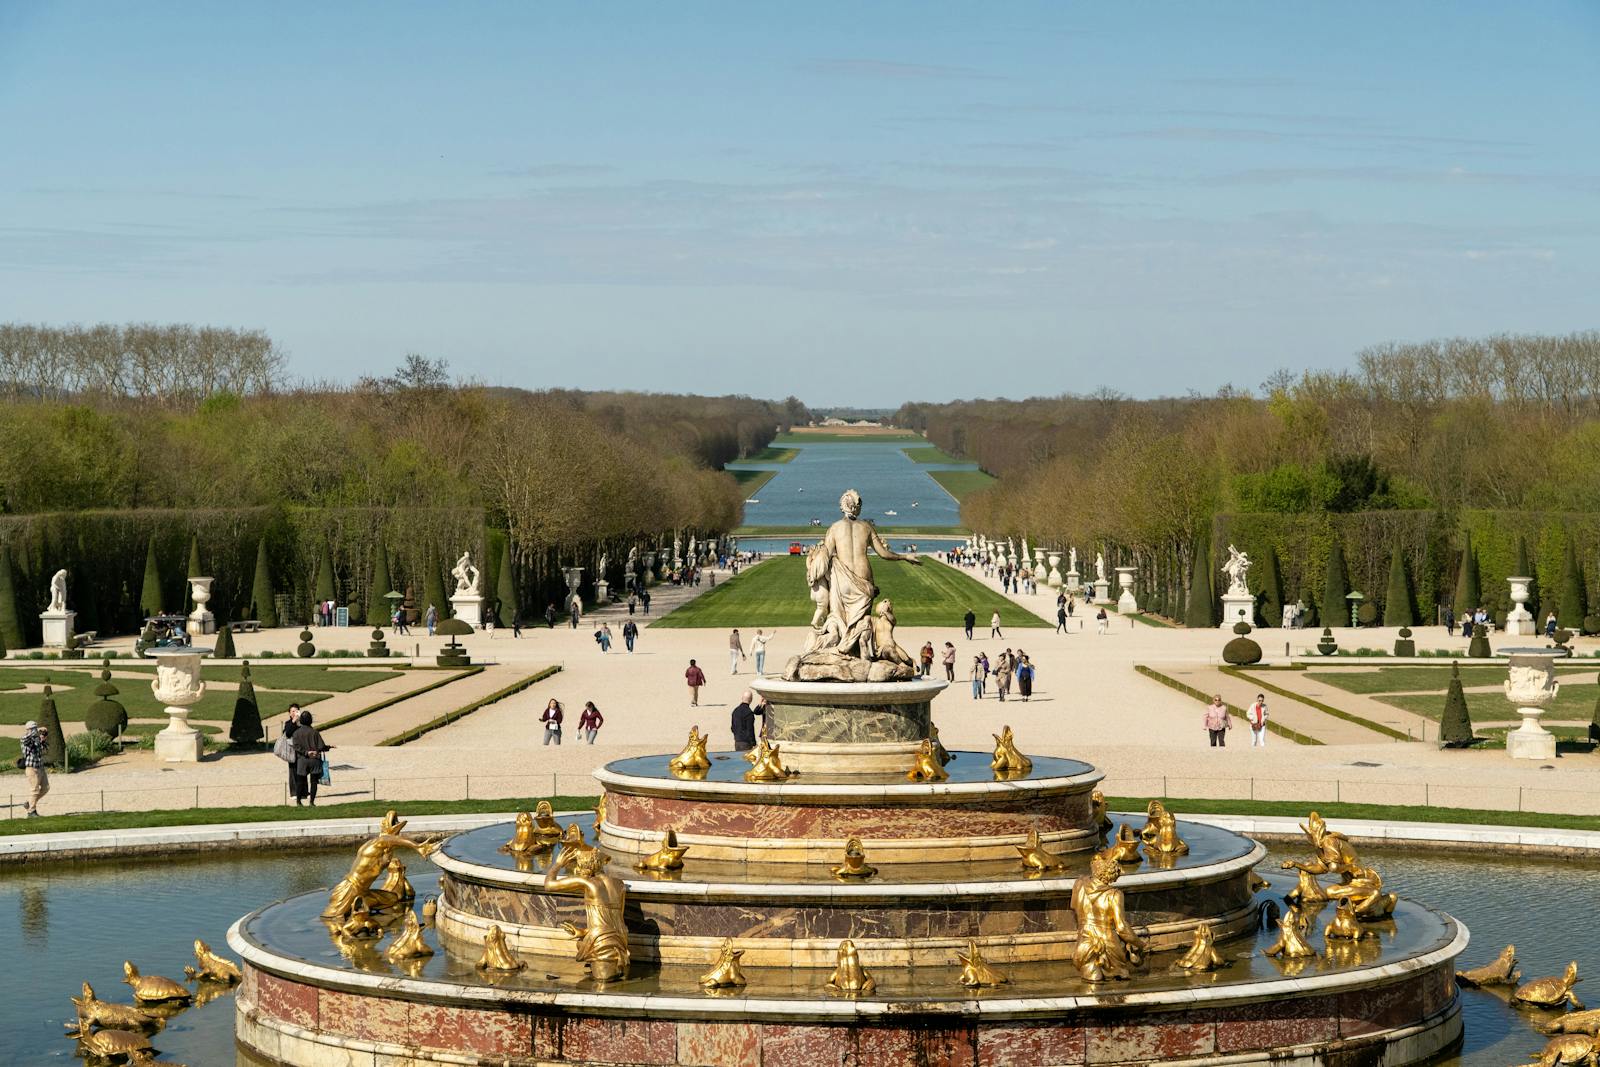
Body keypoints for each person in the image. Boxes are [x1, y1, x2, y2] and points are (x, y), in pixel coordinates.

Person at [290, 710, 329, 806]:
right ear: (311, 720)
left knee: (300, 782)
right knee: (314, 782)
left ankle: (298, 801)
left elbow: (296, 747)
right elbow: (321, 746)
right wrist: (328, 747)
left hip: (302, 760)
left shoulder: (296, 733)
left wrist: (306, 753)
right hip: (314, 759)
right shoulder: (315, 732)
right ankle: (311, 802)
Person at [19, 720, 48, 817]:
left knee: (46, 788)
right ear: (28, 729)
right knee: (35, 790)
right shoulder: (25, 739)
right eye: (33, 729)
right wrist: (37, 731)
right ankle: (31, 812)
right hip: (32, 769)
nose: (36, 730)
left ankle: (29, 803)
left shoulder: (36, 739)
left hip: (40, 768)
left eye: (36, 728)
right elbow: (25, 739)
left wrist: (43, 740)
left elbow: (43, 751)